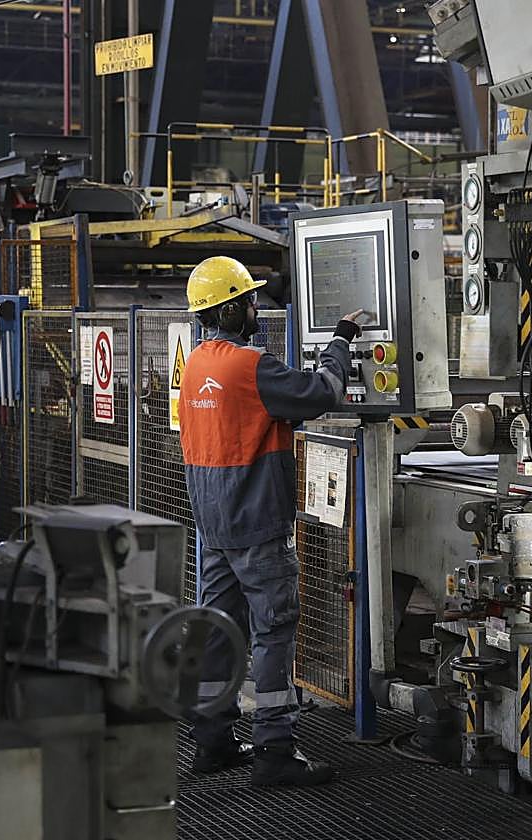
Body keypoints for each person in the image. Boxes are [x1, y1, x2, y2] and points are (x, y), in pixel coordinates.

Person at [177, 255, 364, 787]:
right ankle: (275, 750)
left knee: (218, 633)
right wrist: (342, 340)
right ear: (232, 309)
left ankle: (212, 742)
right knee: (273, 634)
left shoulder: (195, 366)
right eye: (250, 298)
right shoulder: (249, 365)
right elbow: (321, 393)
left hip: (213, 528)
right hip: (257, 524)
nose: (257, 305)